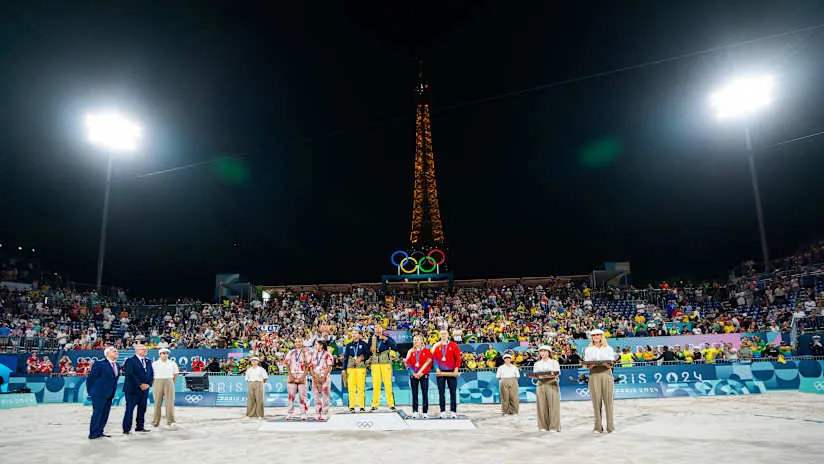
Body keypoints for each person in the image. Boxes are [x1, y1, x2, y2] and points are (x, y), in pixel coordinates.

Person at [583, 329, 617, 434]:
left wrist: (607, 364)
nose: (596, 337)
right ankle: (597, 427)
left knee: (608, 401)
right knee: (596, 402)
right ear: (592, 337)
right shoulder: (588, 349)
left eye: (598, 335)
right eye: (594, 335)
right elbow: (587, 364)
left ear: (602, 336)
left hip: (606, 373)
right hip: (594, 374)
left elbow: (611, 363)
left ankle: (610, 427)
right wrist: (590, 365)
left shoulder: (608, 348)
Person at [87, 346, 120, 439]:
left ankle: (100, 431)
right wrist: (91, 391)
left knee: (105, 414)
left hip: (110, 394)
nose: (117, 352)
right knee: (97, 413)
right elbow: (91, 378)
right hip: (99, 393)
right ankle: (93, 433)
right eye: (114, 351)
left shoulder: (116, 365)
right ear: (108, 353)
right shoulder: (100, 363)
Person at [122, 343, 154, 434]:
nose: (145, 350)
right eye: (142, 349)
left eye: (145, 349)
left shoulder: (148, 361)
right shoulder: (130, 360)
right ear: (136, 351)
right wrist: (140, 384)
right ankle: (126, 429)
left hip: (144, 390)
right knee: (130, 409)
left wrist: (148, 384)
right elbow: (130, 374)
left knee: (142, 409)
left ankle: (140, 426)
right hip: (132, 390)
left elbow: (151, 374)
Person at [431, 329, 461, 419]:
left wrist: (456, 369)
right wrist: (436, 368)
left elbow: (458, 358)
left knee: (453, 392)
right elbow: (433, 359)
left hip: (451, 371)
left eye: (445, 334)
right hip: (440, 372)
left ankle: (453, 411)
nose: (443, 335)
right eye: (442, 334)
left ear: (448, 335)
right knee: (441, 393)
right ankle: (442, 411)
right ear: (440, 335)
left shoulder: (453, 345)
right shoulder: (436, 346)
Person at [368, 325, 398, 411]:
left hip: (385, 363)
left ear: (382, 329)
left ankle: (391, 404)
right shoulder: (371, 339)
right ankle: (374, 405)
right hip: (375, 363)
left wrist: (385, 339)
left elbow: (394, 346)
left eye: (379, 327)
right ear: (374, 329)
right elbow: (368, 350)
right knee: (376, 385)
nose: (377, 329)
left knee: (388, 384)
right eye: (376, 327)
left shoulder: (387, 338)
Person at [341, 327, 370, 413]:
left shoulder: (364, 344)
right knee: (351, 388)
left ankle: (361, 406)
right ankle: (351, 406)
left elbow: (368, 354)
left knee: (361, 388)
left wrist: (361, 358)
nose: (354, 335)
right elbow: (345, 357)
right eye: (352, 333)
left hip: (361, 368)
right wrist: (344, 369)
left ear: (359, 334)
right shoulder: (348, 345)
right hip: (351, 368)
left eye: (356, 333)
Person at [533, 345, 561, 432]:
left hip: (551, 382)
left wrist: (551, 375)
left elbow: (558, 373)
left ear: (549, 352)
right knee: (541, 406)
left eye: (545, 351)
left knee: (553, 405)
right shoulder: (537, 364)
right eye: (541, 351)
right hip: (541, 383)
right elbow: (535, 374)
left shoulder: (554, 362)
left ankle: (554, 427)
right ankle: (542, 426)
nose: (542, 353)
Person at [405, 334, 433, 418]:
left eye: (417, 340)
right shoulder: (410, 351)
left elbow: (429, 363)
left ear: (421, 341)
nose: (415, 341)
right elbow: (408, 364)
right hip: (414, 376)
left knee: (425, 393)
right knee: (414, 394)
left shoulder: (427, 351)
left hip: (424, 375)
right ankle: (415, 411)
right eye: (414, 340)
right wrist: (413, 373)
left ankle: (425, 412)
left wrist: (422, 372)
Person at [151, 348, 179, 427]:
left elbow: (176, 374)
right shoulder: (155, 364)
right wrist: (155, 383)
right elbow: (151, 375)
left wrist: (171, 382)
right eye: (163, 353)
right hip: (157, 381)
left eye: (166, 353)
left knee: (170, 403)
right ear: (160, 354)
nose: (165, 355)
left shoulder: (172, 363)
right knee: (157, 403)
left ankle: (171, 421)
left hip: (169, 381)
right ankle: (155, 422)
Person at [285, 337, 310, 420]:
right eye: (296, 342)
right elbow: (287, 365)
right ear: (294, 343)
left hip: (301, 374)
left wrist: (303, 376)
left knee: (302, 396)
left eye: (299, 341)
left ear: (302, 343)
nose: (298, 343)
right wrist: (290, 376)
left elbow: (308, 366)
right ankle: (290, 413)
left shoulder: (306, 352)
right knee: (291, 396)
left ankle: (303, 413)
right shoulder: (291, 352)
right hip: (292, 374)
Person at [310, 339, 334, 421]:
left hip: (325, 377)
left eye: (317, 344)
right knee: (316, 396)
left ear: (321, 345)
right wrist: (313, 375)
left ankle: (324, 413)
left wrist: (324, 376)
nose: (315, 346)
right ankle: (317, 413)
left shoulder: (327, 354)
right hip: (315, 377)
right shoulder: (314, 354)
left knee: (325, 396)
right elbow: (311, 366)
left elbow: (329, 366)